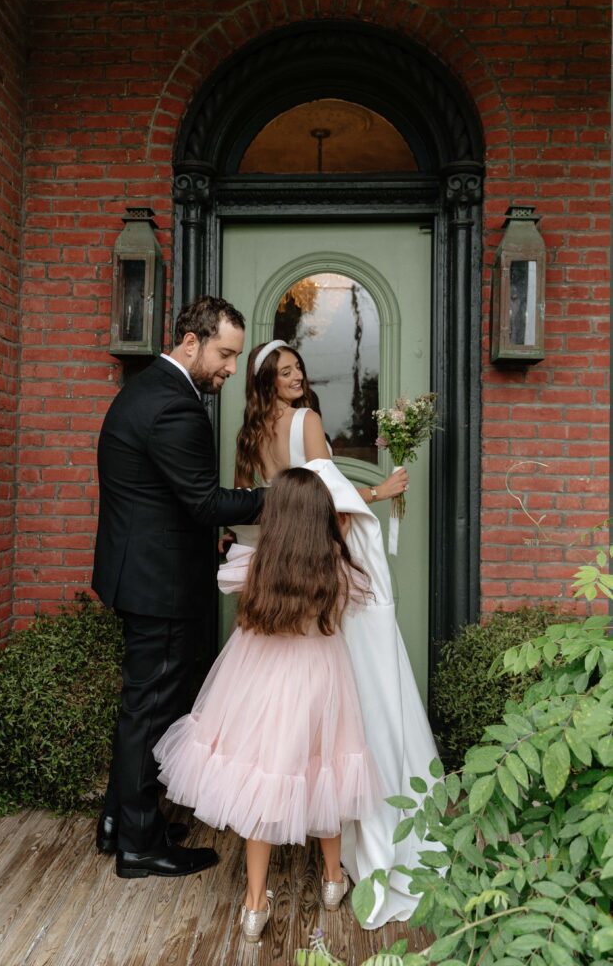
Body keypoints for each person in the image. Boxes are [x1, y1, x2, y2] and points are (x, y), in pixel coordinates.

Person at [228, 338, 440, 927]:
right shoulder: (307, 421)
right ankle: (334, 871)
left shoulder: (250, 437)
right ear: (268, 379)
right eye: (284, 370)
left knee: (276, 735)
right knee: (334, 726)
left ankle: (258, 897)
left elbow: (261, 508)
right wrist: (380, 492)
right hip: (315, 564)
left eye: (298, 368)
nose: (296, 377)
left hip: (277, 565)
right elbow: (331, 499)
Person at [153, 468, 383, 943]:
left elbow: (224, 577)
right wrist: (340, 538)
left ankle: (255, 905)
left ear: (275, 518)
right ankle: (333, 879)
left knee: (264, 775)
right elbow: (363, 595)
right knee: (325, 771)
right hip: (321, 682)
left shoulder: (256, 566)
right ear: (322, 517)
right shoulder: (337, 571)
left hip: (258, 681)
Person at [92, 296, 265, 879]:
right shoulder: (175, 407)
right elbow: (204, 502)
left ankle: (121, 820)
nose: (230, 369)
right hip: (158, 585)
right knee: (151, 709)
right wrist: (286, 494)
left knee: (140, 705)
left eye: (236, 357)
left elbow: (158, 497)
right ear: (191, 342)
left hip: (138, 570)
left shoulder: (144, 392)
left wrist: (202, 538)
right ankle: (140, 846)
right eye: (225, 354)